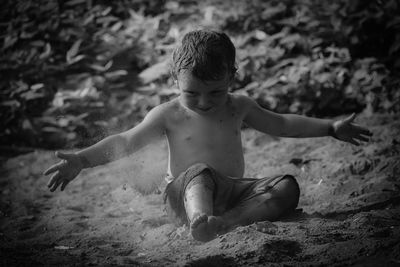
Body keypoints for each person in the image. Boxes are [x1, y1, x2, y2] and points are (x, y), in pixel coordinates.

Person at [44, 29, 372, 242]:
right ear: (176, 80)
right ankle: (200, 220)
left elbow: (282, 124)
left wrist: (330, 128)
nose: (204, 102)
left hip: (233, 192)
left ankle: (225, 223)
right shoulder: (167, 114)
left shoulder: (239, 106)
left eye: (215, 91)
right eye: (193, 93)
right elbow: (126, 142)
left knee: (285, 185)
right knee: (200, 171)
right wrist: (82, 160)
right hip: (184, 194)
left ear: (232, 75)